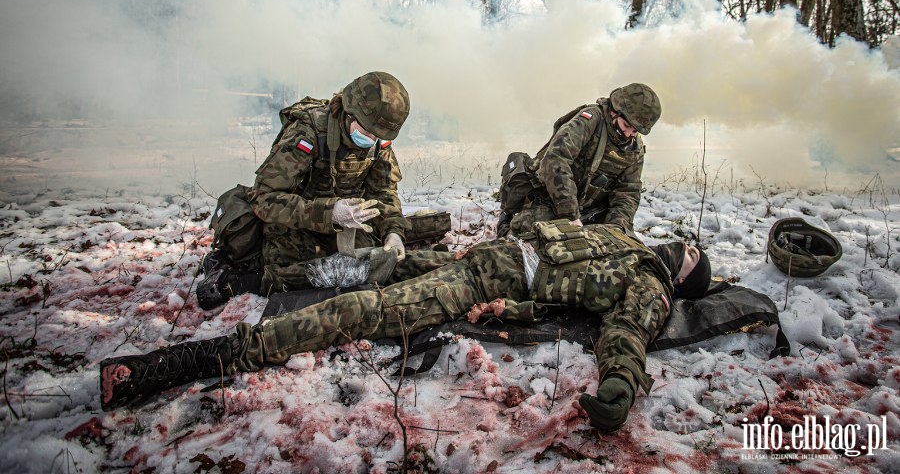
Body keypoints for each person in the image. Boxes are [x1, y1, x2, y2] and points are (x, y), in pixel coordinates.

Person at [100, 221, 712, 432]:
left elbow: (627, 334)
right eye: (686, 245)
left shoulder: (648, 286)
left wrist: (620, 387)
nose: (682, 247)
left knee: (359, 311)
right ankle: (255, 271)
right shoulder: (623, 238)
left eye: (689, 257)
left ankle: (190, 361)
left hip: (474, 283)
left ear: (682, 281)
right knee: (373, 262)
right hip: (477, 258)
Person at [218, 71, 414, 300]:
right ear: (349, 113)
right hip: (294, 224)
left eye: (377, 135)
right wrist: (330, 213)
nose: (371, 139)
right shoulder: (308, 132)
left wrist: (393, 231)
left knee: (367, 267)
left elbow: (383, 192)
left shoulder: (378, 140)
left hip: (345, 226)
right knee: (295, 280)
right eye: (366, 132)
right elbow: (264, 198)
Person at [498, 83, 661, 237]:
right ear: (615, 110)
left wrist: (616, 229)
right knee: (534, 237)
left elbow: (628, 191)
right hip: (552, 200)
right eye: (626, 125)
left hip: (590, 212)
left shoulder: (635, 149)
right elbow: (556, 159)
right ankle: (505, 223)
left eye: (634, 131)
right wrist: (570, 215)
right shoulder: (590, 120)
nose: (628, 134)